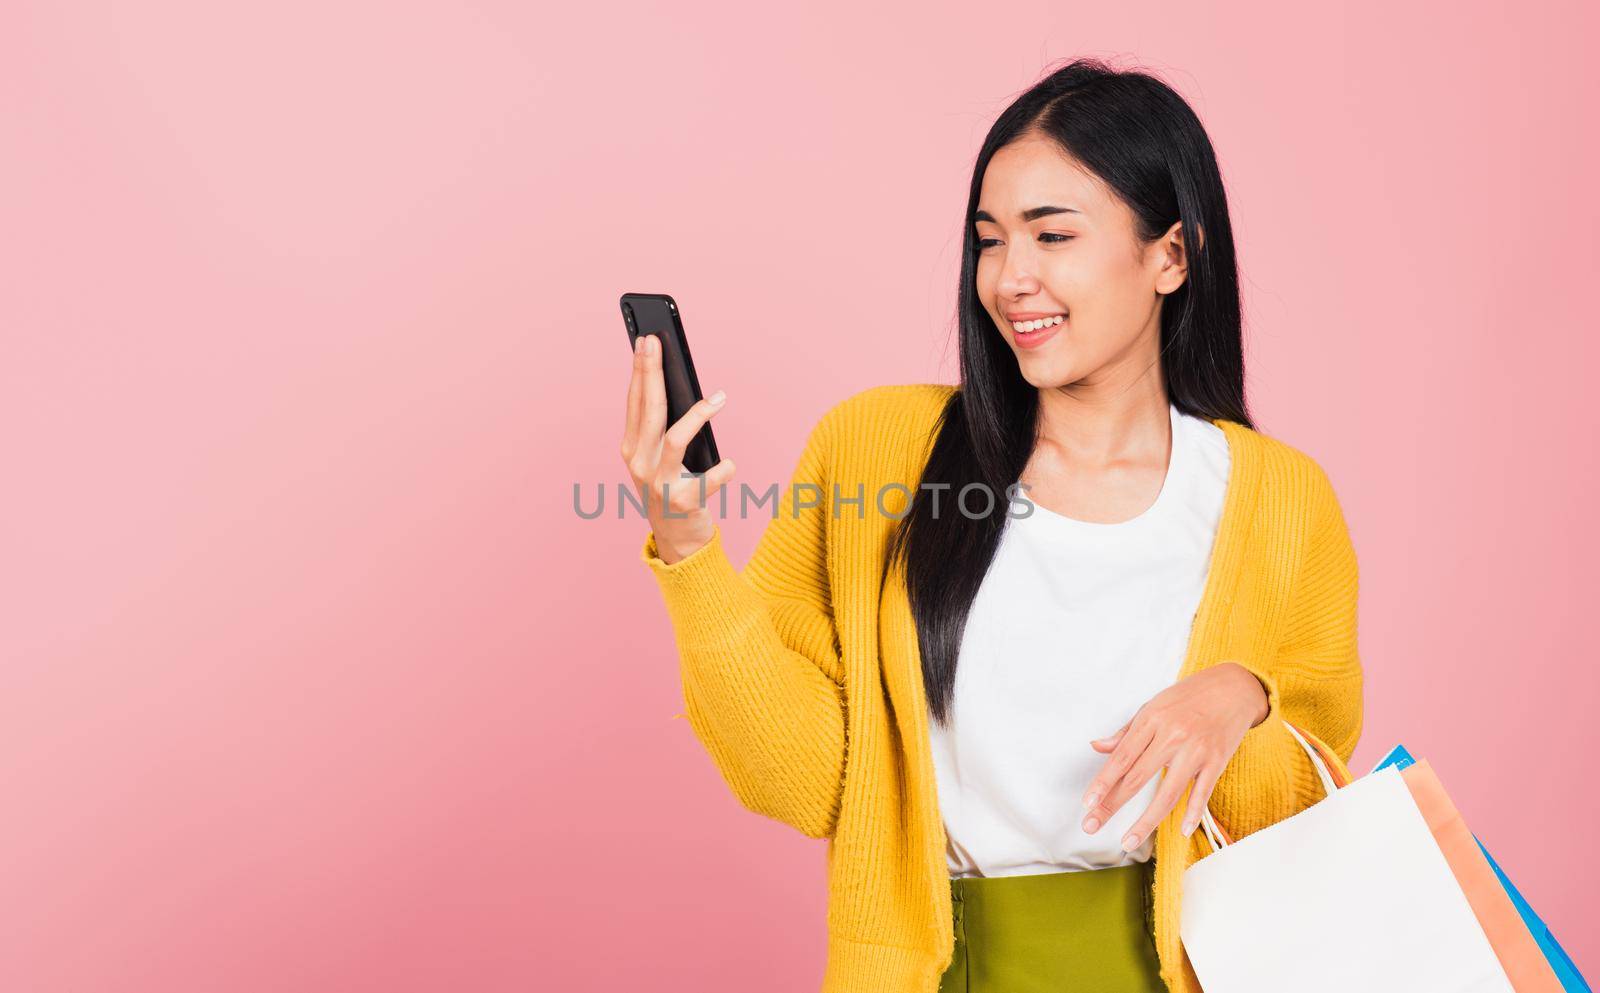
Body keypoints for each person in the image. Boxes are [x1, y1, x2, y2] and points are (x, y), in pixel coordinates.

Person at [621, 57, 1361, 993]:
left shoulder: (1282, 500)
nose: (1013, 278)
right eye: (990, 240)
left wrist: (1244, 693)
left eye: (1053, 236)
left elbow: (1303, 798)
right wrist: (689, 553)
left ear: (1172, 255)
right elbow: (800, 779)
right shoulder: (879, 452)